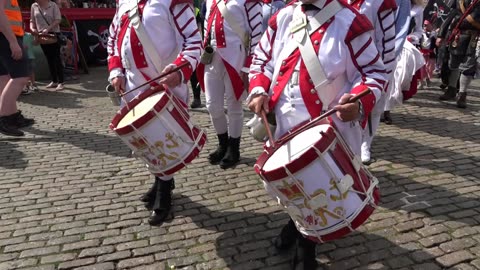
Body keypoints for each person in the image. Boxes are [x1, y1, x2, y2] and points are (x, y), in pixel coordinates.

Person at [247, 0, 387, 267]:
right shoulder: (283, 18)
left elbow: (375, 73)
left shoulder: (351, 23)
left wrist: (358, 102)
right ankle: (294, 225)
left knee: (316, 184)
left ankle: (305, 248)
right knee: (291, 183)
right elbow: (261, 60)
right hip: (285, 125)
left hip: (327, 128)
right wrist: (259, 89)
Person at [107, 0, 202, 225]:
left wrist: (180, 69)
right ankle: (162, 181)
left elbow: (195, 41)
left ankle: (164, 190)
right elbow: (112, 39)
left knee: (161, 140)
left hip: (165, 85)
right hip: (132, 87)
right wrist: (115, 70)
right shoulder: (124, 2)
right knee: (145, 141)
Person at [196, 0, 263, 169]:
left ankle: (234, 147)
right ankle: (222, 143)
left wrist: (249, 64)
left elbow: (257, 33)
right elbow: (206, 26)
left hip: (236, 57)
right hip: (213, 58)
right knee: (212, 105)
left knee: (234, 104)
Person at [348, 0, 397, 164]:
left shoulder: (379, 3)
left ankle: (365, 144)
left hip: (374, 66)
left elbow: (387, 42)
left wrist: (383, 75)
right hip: (348, 65)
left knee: (374, 109)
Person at [0, 0, 35, 136]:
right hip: (6, 37)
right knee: (21, 76)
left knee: (4, 77)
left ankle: (12, 115)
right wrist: (13, 42)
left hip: (5, 37)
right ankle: (4, 119)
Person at [437, 0, 480, 108]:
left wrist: (458, 20)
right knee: (453, 64)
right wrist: (441, 34)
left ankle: (462, 94)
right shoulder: (459, 1)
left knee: (468, 67)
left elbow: (474, 16)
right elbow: (451, 15)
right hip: (459, 36)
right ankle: (451, 89)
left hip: (475, 37)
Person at [30, 0, 65, 91]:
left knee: (56, 58)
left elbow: (58, 19)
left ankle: (61, 82)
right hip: (41, 35)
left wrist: (48, 28)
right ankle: (54, 80)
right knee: (49, 58)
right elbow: (32, 20)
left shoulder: (53, 5)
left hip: (53, 34)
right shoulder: (34, 6)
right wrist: (32, 28)